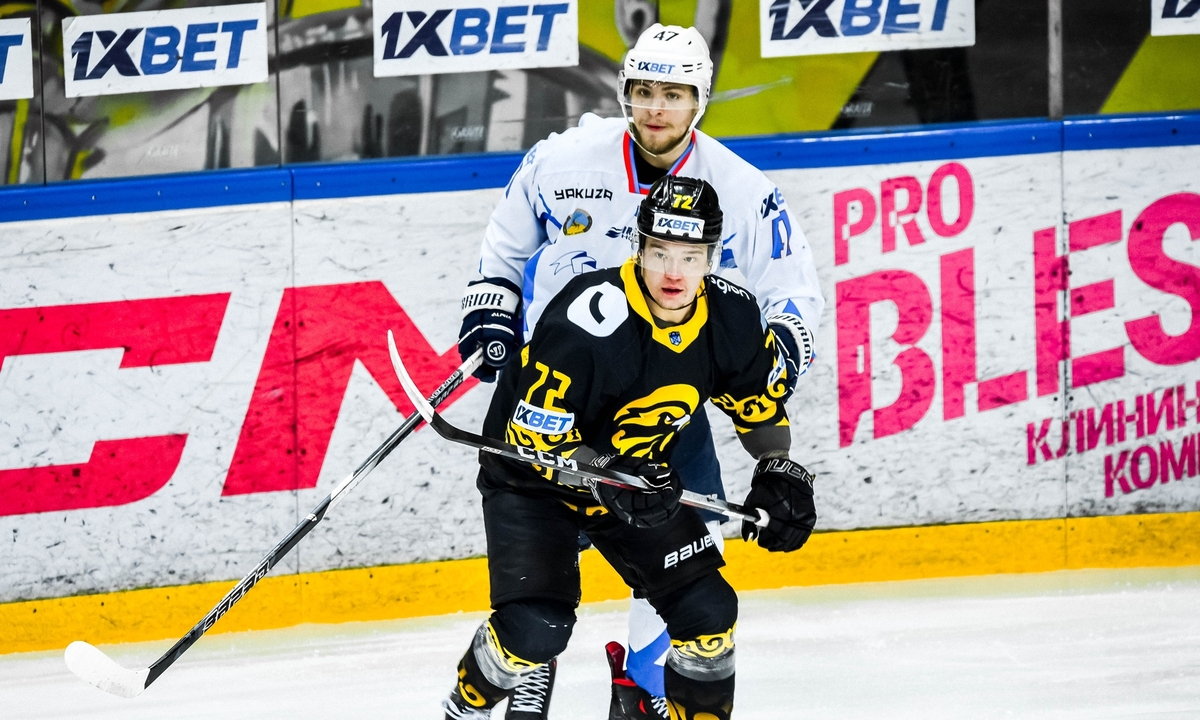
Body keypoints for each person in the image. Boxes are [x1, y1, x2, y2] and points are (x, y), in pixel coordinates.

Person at [457, 23, 824, 720]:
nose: (657, 108)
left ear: (700, 100)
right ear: (625, 91)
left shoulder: (742, 189)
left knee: (687, 551)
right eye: (645, 91)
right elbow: (504, 248)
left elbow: (795, 294)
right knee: (544, 546)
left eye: (675, 94)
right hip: (557, 392)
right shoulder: (561, 160)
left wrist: (767, 364)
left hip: (663, 399)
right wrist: (490, 309)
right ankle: (533, 662)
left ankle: (643, 687)